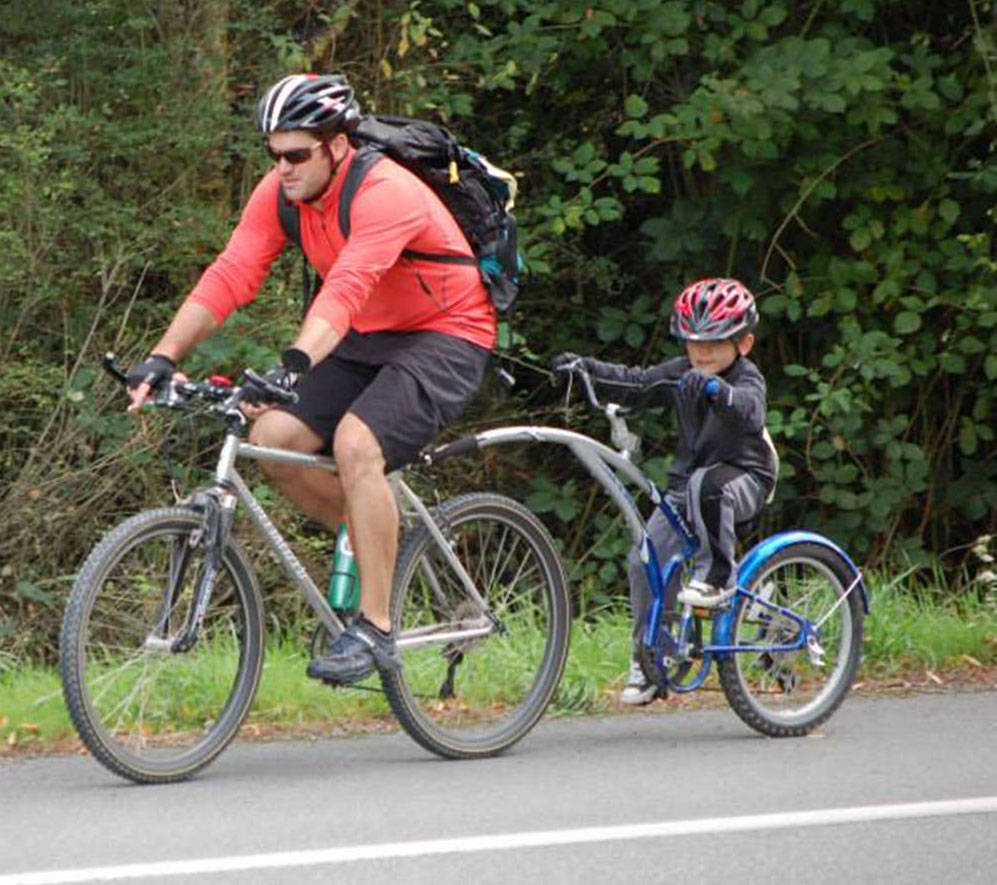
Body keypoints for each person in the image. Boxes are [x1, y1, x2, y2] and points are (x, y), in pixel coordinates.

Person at [126, 73, 496, 685]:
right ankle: (385, 544)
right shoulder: (281, 192)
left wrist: (292, 365)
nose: (283, 168)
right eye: (273, 154)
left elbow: (347, 288)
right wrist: (163, 355)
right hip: (362, 334)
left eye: (296, 154)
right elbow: (232, 273)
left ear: (336, 144)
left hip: (446, 330)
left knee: (357, 443)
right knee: (275, 437)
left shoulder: (385, 192)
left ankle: (375, 629)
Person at [553, 278, 778, 705]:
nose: (702, 352)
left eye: (715, 342)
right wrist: (586, 369)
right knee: (645, 560)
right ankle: (652, 658)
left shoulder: (747, 378)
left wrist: (719, 392)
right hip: (689, 488)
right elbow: (637, 384)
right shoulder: (683, 372)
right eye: (693, 342)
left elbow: (750, 411)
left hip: (744, 478)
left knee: (705, 485)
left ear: (744, 343)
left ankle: (717, 578)